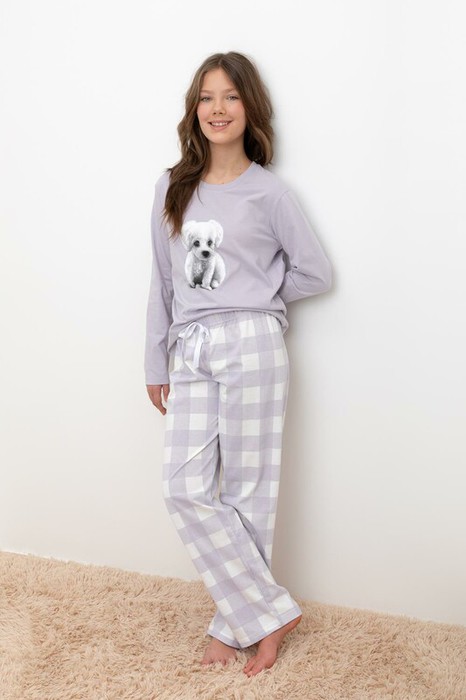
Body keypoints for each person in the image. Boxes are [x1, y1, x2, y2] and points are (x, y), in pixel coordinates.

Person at [144, 51, 332, 677]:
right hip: (190, 345)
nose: (217, 108)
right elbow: (163, 281)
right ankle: (270, 611)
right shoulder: (173, 187)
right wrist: (155, 359)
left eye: (230, 96)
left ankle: (235, 626)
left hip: (254, 341)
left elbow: (315, 272)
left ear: (250, 107)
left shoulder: (270, 192)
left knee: (250, 490)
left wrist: (257, 297)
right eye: (206, 97)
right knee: (183, 487)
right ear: (193, 109)